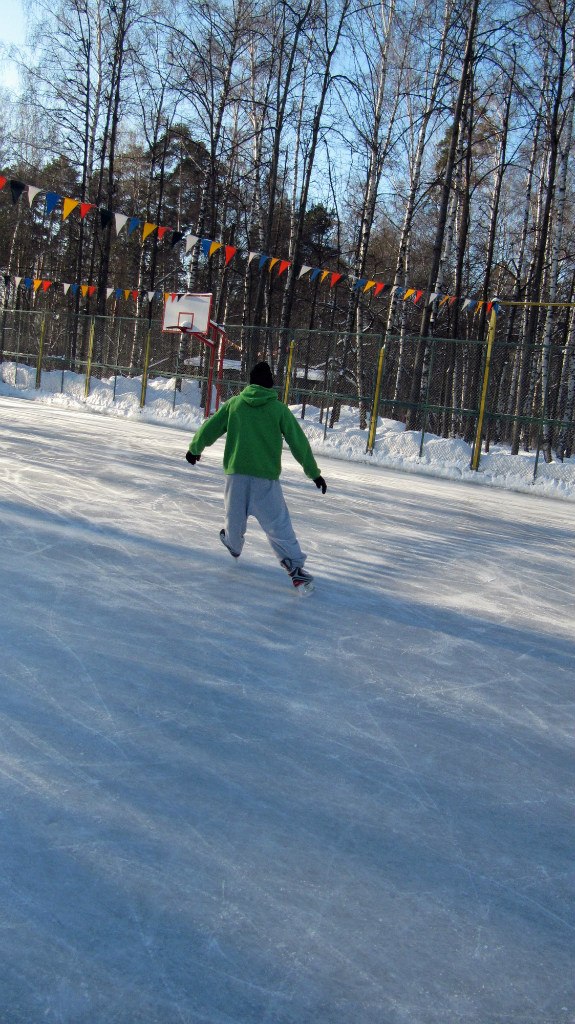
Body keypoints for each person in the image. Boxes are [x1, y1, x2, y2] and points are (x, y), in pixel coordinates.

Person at [185, 361, 327, 589]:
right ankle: (295, 567)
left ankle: (233, 544)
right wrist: (314, 474)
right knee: (279, 526)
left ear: (250, 382)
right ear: (270, 383)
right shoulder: (278, 410)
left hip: (236, 477)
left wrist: (195, 449)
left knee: (234, 520)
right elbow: (298, 443)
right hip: (265, 481)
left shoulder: (235, 404)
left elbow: (210, 427)